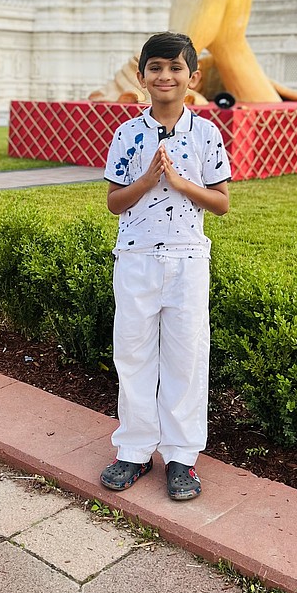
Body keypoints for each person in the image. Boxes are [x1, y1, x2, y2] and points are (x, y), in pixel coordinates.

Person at [100, 31, 231, 501]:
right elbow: (115, 202)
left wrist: (177, 181)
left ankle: (181, 457)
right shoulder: (127, 133)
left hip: (188, 260)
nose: (165, 76)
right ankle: (133, 450)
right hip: (136, 258)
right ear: (142, 76)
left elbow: (221, 203)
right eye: (155, 67)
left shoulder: (207, 133)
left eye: (176, 68)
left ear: (192, 77)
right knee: (132, 353)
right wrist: (147, 179)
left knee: (186, 357)